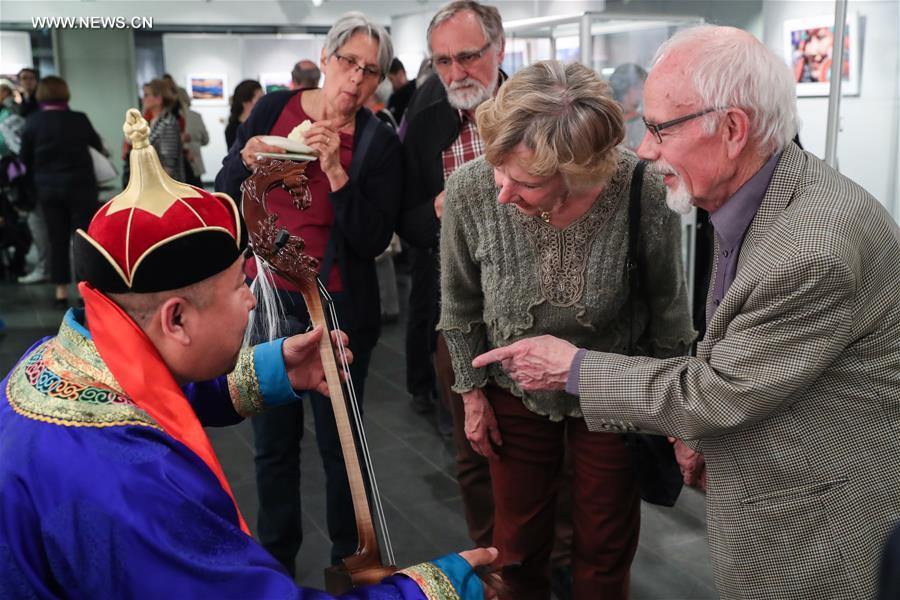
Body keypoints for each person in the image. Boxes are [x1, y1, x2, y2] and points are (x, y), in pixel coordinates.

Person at [472, 25, 900, 599]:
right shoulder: (764, 193)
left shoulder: (810, 252)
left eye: (658, 129)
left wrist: (573, 367)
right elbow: (740, 350)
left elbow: (718, 391)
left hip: (817, 524)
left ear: (731, 129)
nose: (645, 150)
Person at [0, 107, 495, 599]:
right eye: (241, 283)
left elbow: (147, 400)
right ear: (176, 318)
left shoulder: (56, 361)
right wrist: (432, 590)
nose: (254, 297)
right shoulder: (135, 485)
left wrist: (272, 369)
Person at [438, 60, 693, 600]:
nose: (503, 192)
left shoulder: (640, 189)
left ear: (581, 173)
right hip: (514, 390)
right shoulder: (471, 189)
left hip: (613, 392)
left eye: (526, 182)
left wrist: (676, 413)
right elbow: (459, 302)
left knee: (604, 547)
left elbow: (668, 307)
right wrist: (471, 394)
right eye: (497, 169)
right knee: (518, 547)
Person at [216, 12, 403, 575]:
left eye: (371, 71)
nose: (356, 80)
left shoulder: (376, 141)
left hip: (336, 302)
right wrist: (244, 160)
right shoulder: (276, 108)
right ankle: (275, 560)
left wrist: (336, 174)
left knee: (341, 443)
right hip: (267, 295)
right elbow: (228, 191)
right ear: (325, 59)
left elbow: (372, 239)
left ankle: (348, 562)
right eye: (348, 63)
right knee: (272, 440)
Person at [397, 0, 506, 549]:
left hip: (541, 309)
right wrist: (440, 208)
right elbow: (406, 220)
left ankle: (552, 557)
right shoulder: (427, 118)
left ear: (498, 49)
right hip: (458, 309)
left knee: (548, 441)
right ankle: (490, 554)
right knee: (472, 447)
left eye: (467, 56)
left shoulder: (537, 109)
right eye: (442, 61)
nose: (455, 73)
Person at [19, 76, 105, 309]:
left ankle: (60, 291)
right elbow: (98, 146)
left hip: (48, 188)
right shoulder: (78, 119)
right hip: (80, 185)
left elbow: (24, 159)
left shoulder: (33, 121)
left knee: (56, 238)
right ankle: (85, 289)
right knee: (82, 239)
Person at [141, 78, 184, 181]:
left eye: (147, 95)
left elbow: (168, 165)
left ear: (159, 99)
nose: (143, 99)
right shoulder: (154, 122)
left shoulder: (167, 123)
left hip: (166, 188)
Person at [608, 63, 647, 151]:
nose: (642, 93)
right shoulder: (606, 121)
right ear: (626, 87)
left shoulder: (644, 121)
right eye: (640, 87)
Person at [177, 87, 210, 188]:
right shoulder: (196, 116)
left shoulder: (171, 117)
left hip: (178, 164)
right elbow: (206, 140)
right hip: (195, 162)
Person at [225, 79, 263, 150]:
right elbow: (235, 157)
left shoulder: (263, 124)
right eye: (260, 99)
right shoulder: (232, 129)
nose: (264, 102)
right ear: (246, 102)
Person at [386, 58, 416, 123]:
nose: (390, 84)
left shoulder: (416, 91)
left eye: (391, 79)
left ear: (401, 74)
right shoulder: (393, 97)